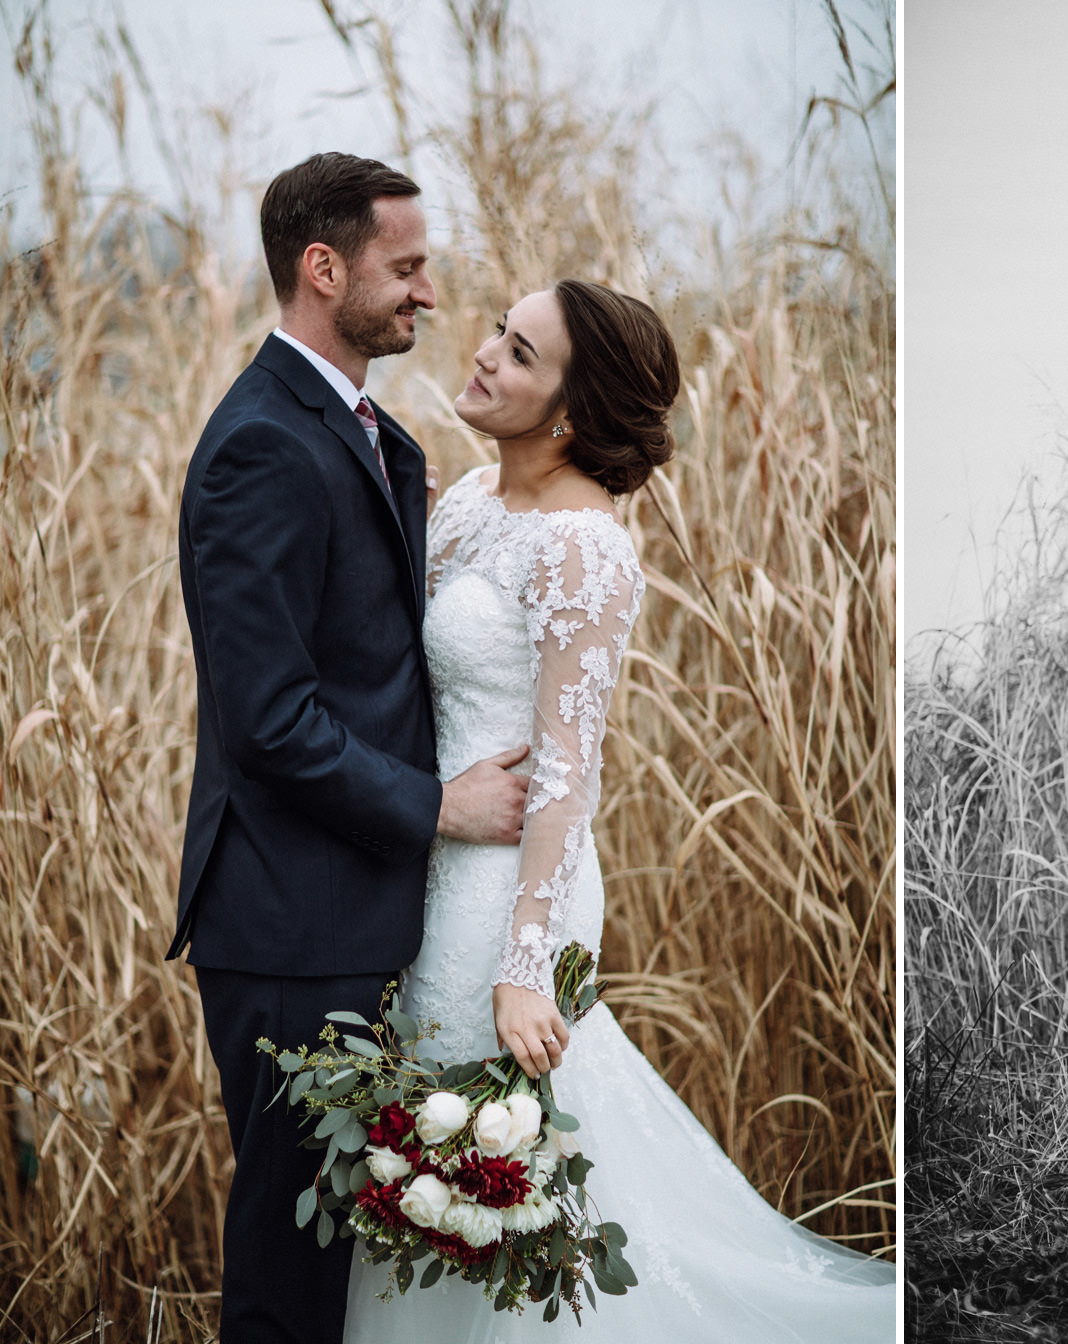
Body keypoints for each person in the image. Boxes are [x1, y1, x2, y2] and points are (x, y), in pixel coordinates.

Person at [342, 280, 895, 1340]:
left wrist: (525, 961)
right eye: (500, 332)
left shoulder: (587, 549)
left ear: (572, 414)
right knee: (426, 1156)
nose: (487, 355)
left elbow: (566, 767)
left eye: (521, 354)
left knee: (487, 1153)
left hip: (505, 893)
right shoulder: (465, 502)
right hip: (429, 858)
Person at [168, 152, 531, 1343]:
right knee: (290, 1268)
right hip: (287, 928)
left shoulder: (370, 431)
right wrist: (440, 809)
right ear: (324, 269)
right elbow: (267, 720)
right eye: (407, 266)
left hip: (355, 916)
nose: (429, 293)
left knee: (345, 1261)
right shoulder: (261, 444)